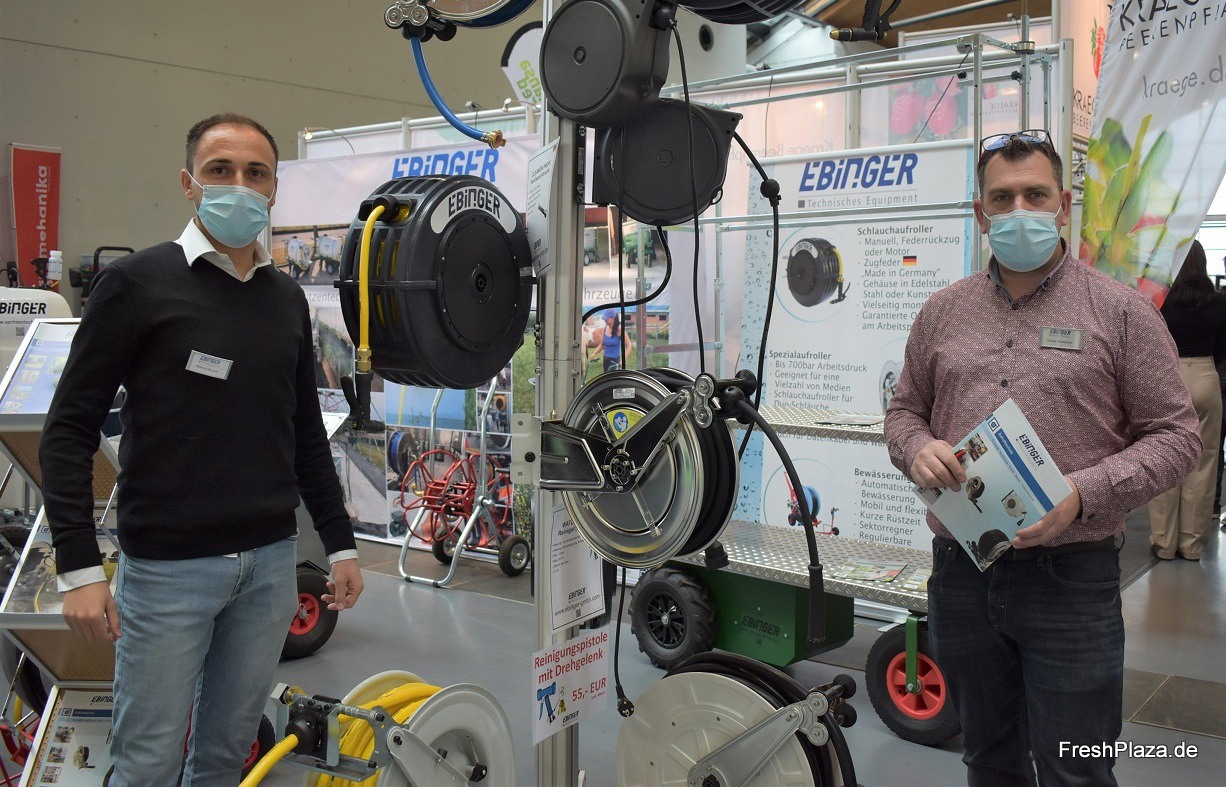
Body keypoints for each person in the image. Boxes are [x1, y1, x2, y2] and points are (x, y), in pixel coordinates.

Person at [40, 113, 365, 786]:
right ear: (189, 183)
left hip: (270, 569)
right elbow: (69, 428)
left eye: (256, 172)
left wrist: (339, 544)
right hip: (167, 572)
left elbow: (304, 431)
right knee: (147, 764)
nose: (239, 185)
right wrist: (79, 566)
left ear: (273, 189)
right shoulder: (136, 284)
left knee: (224, 757)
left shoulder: (285, 299)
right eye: (221, 170)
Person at [884, 129, 1199, 786]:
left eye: (1035, 194)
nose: (1019, 209)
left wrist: (1083, 493)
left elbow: (1177, 437)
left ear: (1063, 206)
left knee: (1076, 770)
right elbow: (904, 411)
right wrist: (916, 449)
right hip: (962, 574)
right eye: (1002, 198)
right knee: (988, 759)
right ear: (981, 213)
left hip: (1071, 579)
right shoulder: (942, 312)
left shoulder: (1121, 313)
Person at [1147, 240, 1226, 559]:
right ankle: (1191, 544)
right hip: (1206, 375)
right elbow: (1223, 350)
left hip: (1169, 377)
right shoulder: (1221, 302)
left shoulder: (1161, 301)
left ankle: (1163, 542)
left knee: (1165, 457)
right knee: (1204, 461)